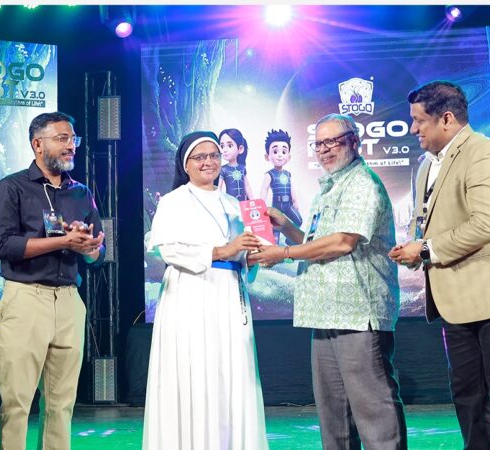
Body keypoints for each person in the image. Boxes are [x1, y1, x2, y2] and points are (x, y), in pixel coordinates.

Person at [388, 80, 490, 449]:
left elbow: (485, 225)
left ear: (447, 119)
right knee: (467, 395)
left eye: (419, 120)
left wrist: (425, 250)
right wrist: (412, 246)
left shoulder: (485, 152)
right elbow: (427, 223)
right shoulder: (426, 166)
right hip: (454, 300)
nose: (413, 129)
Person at [250, 114, 407, 450]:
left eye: (332, 142)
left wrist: (284, 252)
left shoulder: (362, 183)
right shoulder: (329, 187)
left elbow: (342, 242)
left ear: (354, 142)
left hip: (357, 313)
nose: (324, 150)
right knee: (334, 415)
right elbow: (316, 242)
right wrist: (286, 226)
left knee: (373, 408)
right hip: (325, 313)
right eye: (318, 144)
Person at [142, 131, 268, 450]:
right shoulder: (173, 201)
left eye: (214, 155)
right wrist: (223, 250)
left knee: (231, 372)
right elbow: (168, 250)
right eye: (200, 157)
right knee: (195, 371)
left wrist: (254, 255)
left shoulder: (235, 204)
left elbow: (242, 255)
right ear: (186, 164)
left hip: (229, 294)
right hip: (189, 294)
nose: (208, 162)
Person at [0, 111, 106, 450]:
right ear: (37, 144)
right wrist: (62, 241)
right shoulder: (13, 187)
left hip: (69, 300)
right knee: (17, 402)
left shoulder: (81, 193)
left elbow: (98, 255)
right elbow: (4, 246)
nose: (71, 146)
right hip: (26, 297)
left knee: (61, 403)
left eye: (73, 139)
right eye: (62, 139)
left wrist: (88, 247)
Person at [259, 129, 302, 244]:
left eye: (283, 152)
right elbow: (264, 189)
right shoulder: (269, 174)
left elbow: (292, 188)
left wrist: (295, 201)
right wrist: (261, 205)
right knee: (275, 227)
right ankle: (275, 246)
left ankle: (290, 241)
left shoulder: (288, 174)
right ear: (267, 156)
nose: (279, 155)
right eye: (275, 151)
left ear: (288, 157)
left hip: (288, 205)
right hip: (277, 205)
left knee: (298, 221)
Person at [218, 128, 253, 200]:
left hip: (244, 203)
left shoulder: (242, 168)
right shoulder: (223, 169)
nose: (225, 150)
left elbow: (247, 186)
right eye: (222, 146)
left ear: (240, 149)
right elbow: (219, 189)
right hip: (230, 203)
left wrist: (253, 201)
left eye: (230, 145)